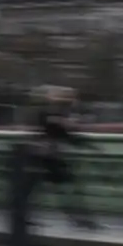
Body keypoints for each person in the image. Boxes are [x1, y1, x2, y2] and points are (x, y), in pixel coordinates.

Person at [34, 86, 97, 230]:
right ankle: (79, 218)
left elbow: (63, 134)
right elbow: (64, 134)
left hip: (46, 157)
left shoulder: (50, 113)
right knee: (68, 189)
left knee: (47, 190)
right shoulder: (52, 114)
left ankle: (77, 218)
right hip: (48, 158)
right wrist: (89, 145)